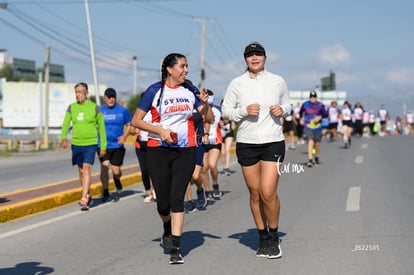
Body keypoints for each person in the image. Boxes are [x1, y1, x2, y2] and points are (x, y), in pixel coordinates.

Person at [131, 53, 212, 264]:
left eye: (187, 66)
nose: (186, 70)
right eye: (182, 66)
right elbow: (136, 121)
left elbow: (208, 118)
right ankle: (166, 227)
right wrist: (160, 130)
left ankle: (176, 246)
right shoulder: (154, 91)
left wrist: (205, 104)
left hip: (185, 150)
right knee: (163, 204)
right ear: (169, 69)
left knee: (178, 198)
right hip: (158, 149)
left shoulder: (190, 90)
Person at [222, 42, 291, 259]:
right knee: (255, 193)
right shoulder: (236, 83)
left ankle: (273, 235)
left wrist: (283, 110)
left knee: (268, 192)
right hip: (247, 142)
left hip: (273, 141)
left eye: (258, 54)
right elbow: (225, 111)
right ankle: (262, 237)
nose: (254, 58)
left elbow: (288, 106)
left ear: (265, 58)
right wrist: (243, 111)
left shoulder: (277, 81)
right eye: (250, 55)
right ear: (245, 59)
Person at [61, 82, 107, 211]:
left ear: (86, 93)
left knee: (87, 169)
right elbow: (65, 124)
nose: (78, 94)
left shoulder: (95, 108)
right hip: (76, 144)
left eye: (80, 92)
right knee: (81, 172)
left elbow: (102, 129)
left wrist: (103, 146)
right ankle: (87, 193)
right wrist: (63, 137)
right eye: (76, 92)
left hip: (90, 143)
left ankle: (83, 199)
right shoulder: (72, 107)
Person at [98, 88, 131, 202]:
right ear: (104, 98)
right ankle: (106, 191)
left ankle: (117, 180)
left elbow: (129, 125)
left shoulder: (122, 110)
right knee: (105, 166)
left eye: (113, 97)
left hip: (117, 146)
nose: (111, 99)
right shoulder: (99, 110)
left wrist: (124, 137)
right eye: (109, 97)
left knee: (116, 171)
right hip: (103, 145)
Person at [201, 89, 223, 199]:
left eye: (209, 96)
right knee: (204, 168)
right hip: (202, 142)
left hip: (215, 140)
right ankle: (207, 190)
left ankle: (215, 184)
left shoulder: (218, 110)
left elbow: (225, 118)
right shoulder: (199, 109)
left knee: (212, 165)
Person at [299, 90, 327, 167]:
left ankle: (317, 157)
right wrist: (301, 119)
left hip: (317, 126)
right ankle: (310, 160)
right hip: (308, 126)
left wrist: (320, 117)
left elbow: (325, 115)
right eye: (311, 97)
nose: (312, 98)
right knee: (310, 141)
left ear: (316, 97)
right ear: (309, 97)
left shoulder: (321, 105)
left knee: (317, 144)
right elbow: (300, 113)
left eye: (314, 97)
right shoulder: (305, 104)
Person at [219, 99, 236, 176]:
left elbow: (233, 127)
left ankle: (227, 167)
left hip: (229, 133)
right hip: (221, 134)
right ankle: (224, 166)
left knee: (227, 150)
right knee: (222, 153)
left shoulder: (230, 113)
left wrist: (231, 121)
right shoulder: (218, 113)